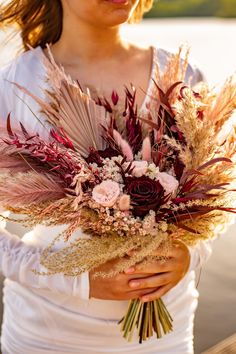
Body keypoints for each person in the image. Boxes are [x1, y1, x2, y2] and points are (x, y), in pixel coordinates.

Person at [0, 1, 213, 353]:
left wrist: (191, 255)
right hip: (45, 337)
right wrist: (77, 280)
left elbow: (211, 203)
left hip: (163, 339)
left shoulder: (184, 79)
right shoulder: (13, 87)